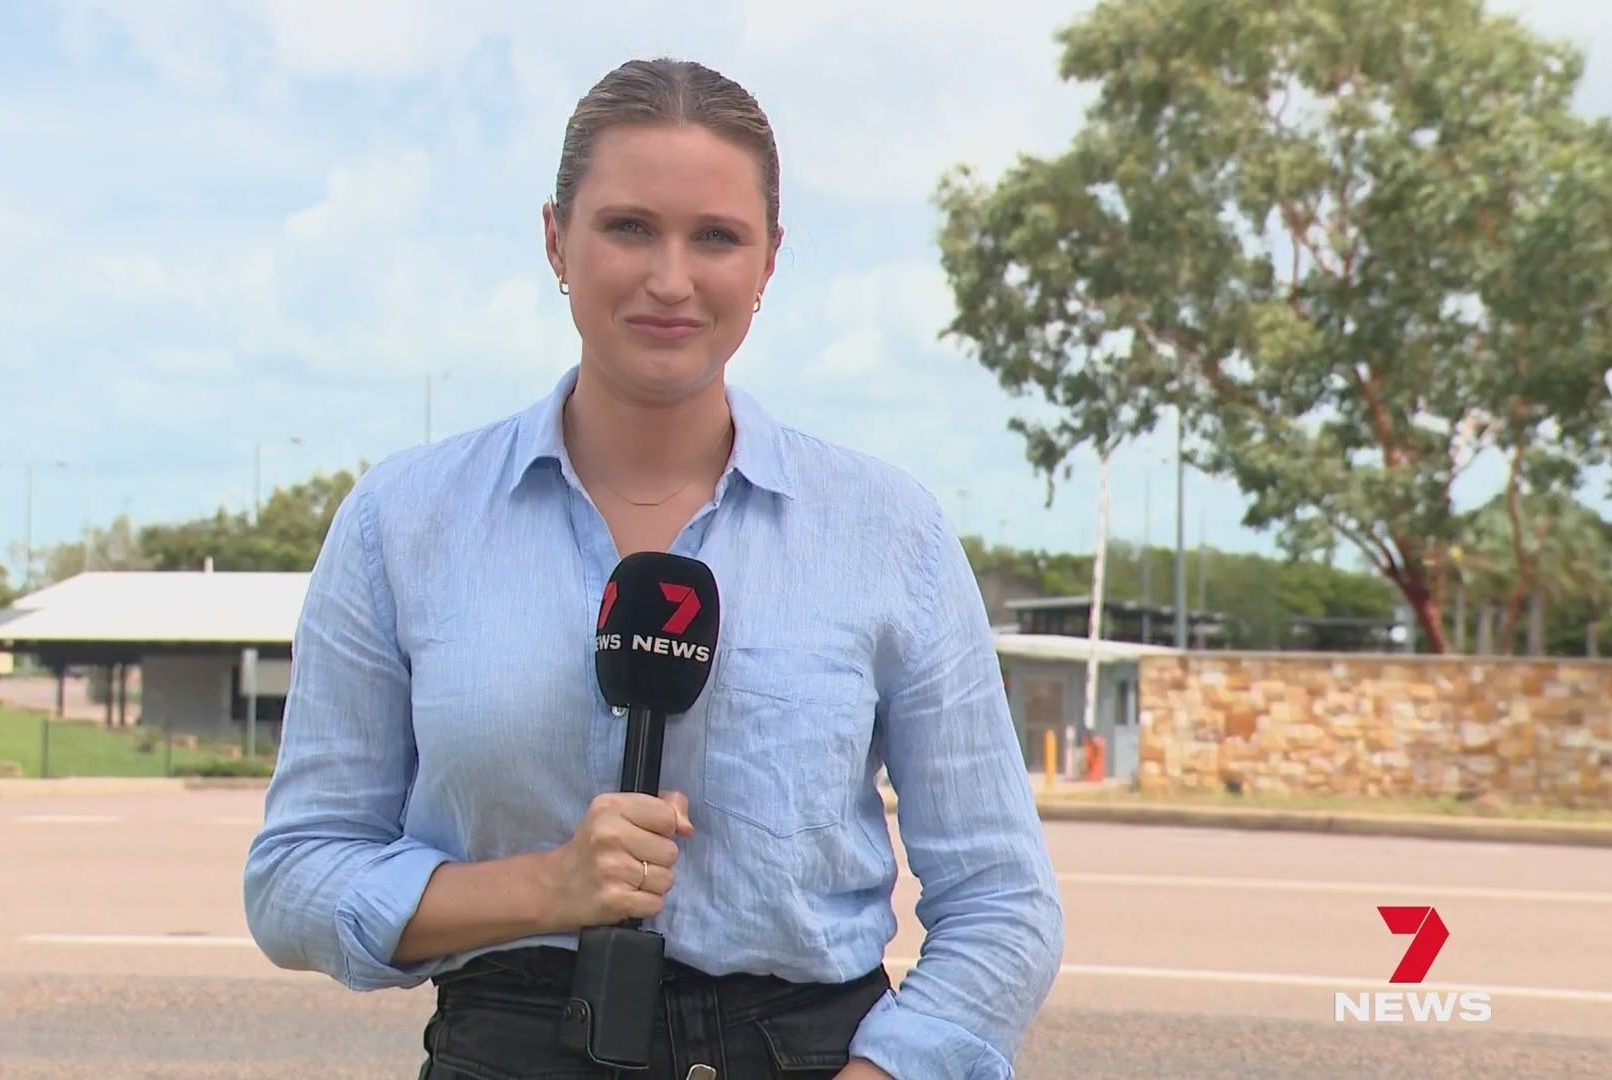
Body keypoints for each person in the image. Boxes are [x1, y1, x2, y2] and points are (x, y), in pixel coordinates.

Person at [244, 56, 1064, 1079]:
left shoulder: (888, 532)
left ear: (768, 262)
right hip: (509, 1046)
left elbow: (1002, 902)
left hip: (807, 1050)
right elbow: (296, 877)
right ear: (557, 240)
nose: (670, 279)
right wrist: (545, 887)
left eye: (716, 237)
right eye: (629, 227)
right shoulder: (402, 522)